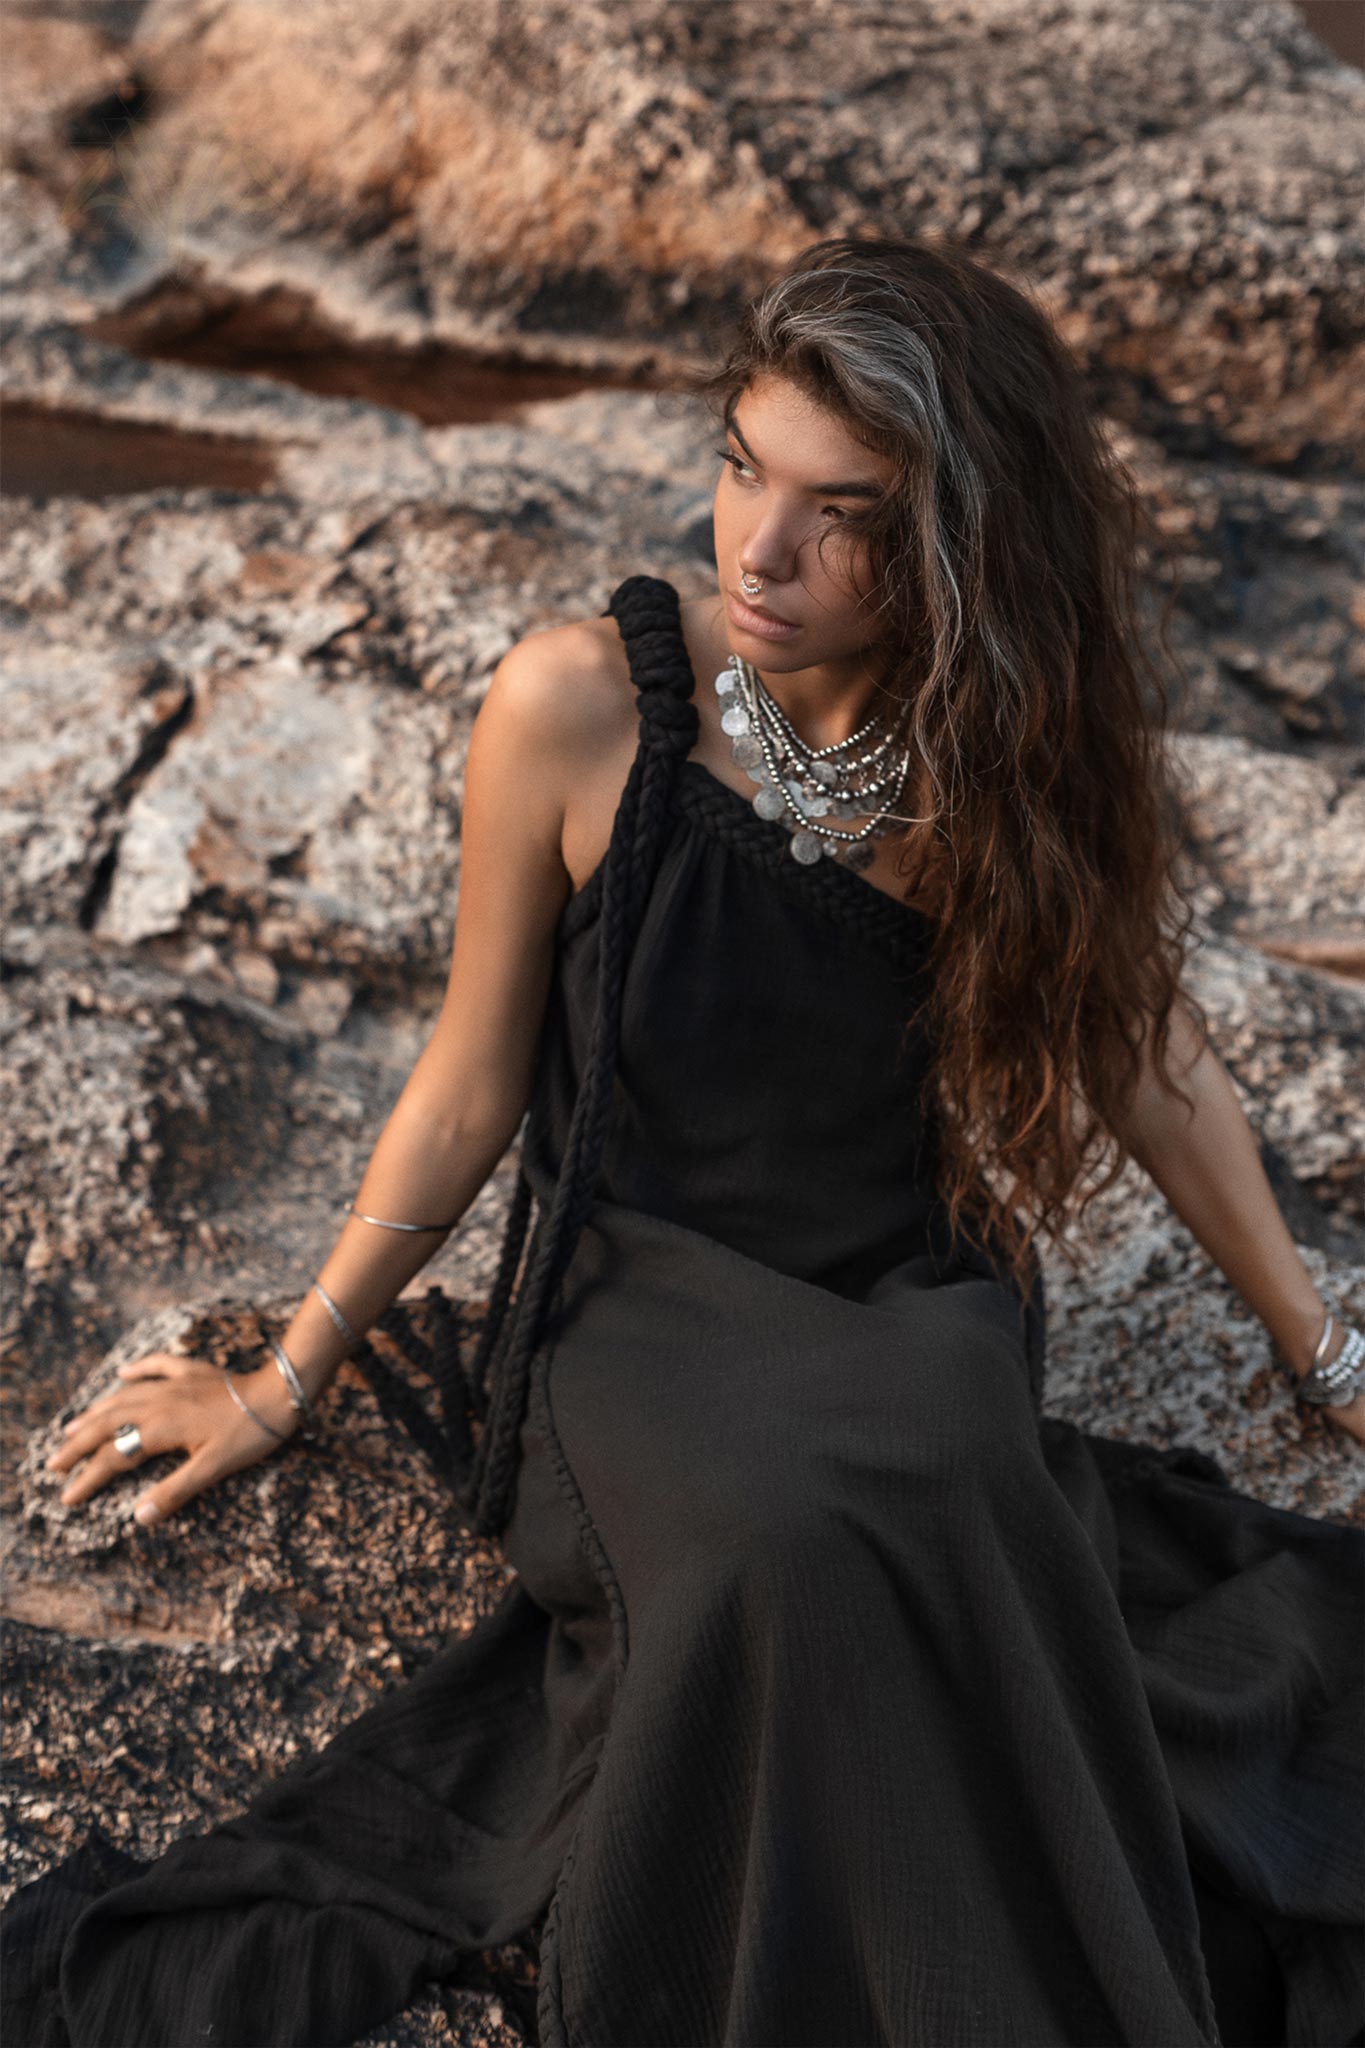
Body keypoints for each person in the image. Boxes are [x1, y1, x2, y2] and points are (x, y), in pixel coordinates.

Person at [3, 234, 1362, 2048]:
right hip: (633, 1308)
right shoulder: (580, 706)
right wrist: (283, 1380)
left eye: (839, 513)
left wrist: (1321, 1345)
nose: (759, 548)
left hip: (895, 1288)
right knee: (780, 1549)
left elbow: (1134, 1042)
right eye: (740, 468)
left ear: (962, 540)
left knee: (944, 1466)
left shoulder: (995, 744)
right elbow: (469, 1081)